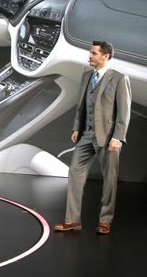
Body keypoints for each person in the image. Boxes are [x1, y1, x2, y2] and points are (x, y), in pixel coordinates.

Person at [54, 40, 131, 235]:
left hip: (108, 138)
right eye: (90, 52)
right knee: (74, 173)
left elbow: (124, 112)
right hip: (86, 135)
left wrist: (118, 137)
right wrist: (76, 128)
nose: (90, 56)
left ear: (105, 56)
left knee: (109, 180)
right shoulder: (87, 75)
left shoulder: (119, 79)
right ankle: (72, 221)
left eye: (94, 53)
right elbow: (82, 105)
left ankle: (105, 221)